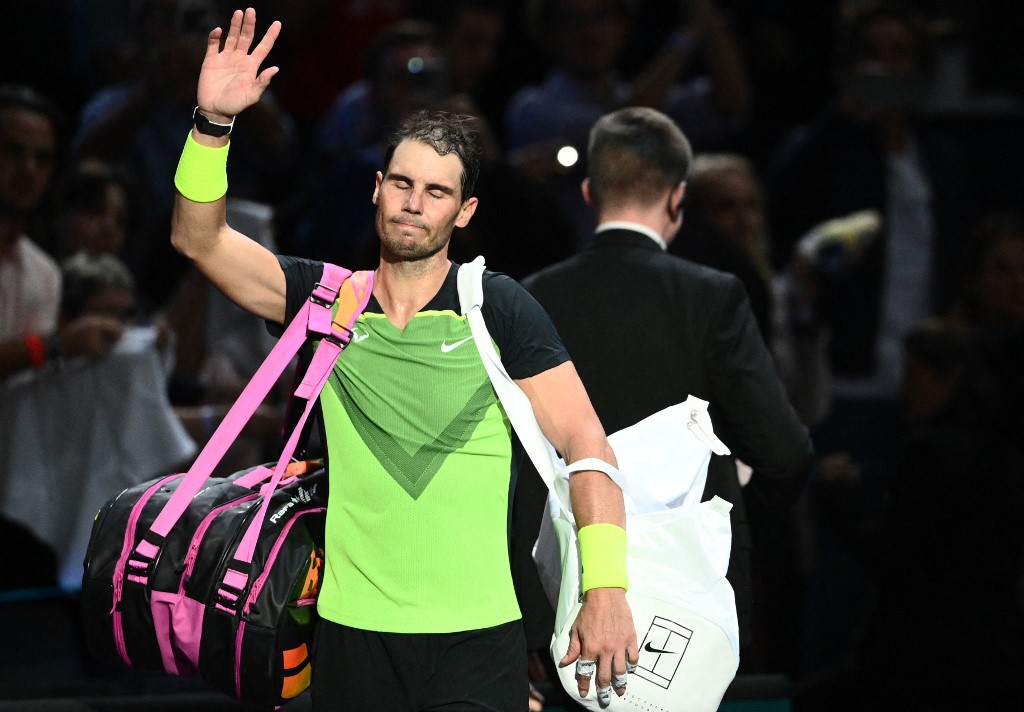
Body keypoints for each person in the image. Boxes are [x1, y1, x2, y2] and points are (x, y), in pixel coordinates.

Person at [168, 9, 636, 711]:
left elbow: (588, 448)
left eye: (437, 192)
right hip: (350, 640)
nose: (415, 204)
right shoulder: (325, 301)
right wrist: (211, 123)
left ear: (465, 211)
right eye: (403, 184)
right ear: (378, 188)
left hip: (481, 640)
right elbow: (199, 240)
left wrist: (607, 590)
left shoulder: (496, 307)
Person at [520, 107, 813, 688]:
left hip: (562, 597)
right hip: (688, 604)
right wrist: (729, 496)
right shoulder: (711, 298)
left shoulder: (531, 298)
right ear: (678, 199)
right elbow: (785, 452)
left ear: (588, 192)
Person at [505, 0, 751, 246]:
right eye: (573, 21)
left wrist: (708, 21)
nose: (590, 32)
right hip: (576, 275)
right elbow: (623, 127)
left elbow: (732, 102)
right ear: (547, 34)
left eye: (602, 17)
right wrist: (686, 39)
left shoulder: (649, 99)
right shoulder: (534, 108)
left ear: (623, 27)